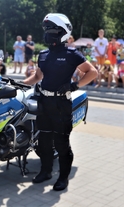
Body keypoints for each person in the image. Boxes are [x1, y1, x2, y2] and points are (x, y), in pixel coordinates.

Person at [22, 13, 97, 191]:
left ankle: (63, 178)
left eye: (53, 30)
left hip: (61, 104)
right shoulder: (43, 54)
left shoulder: (72, 54)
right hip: (44, 103)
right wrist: (20, 84)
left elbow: (92, 72)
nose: (49, 33)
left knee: (61, 143)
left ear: (63, 32)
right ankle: (46, 171)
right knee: (44, 142)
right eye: (47, 30)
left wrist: (75, 85)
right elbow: (38, 76)